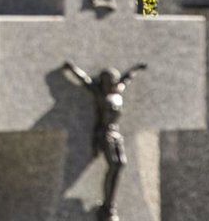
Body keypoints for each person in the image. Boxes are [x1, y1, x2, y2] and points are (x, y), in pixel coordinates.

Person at [62, 61, 148, 221]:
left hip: (115, 133)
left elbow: (127, 78)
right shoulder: (100, 94)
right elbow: (84, 80)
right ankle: (107, 207)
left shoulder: (118, 92)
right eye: (109, 80)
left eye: (114, 80)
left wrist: (137, 68)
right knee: (115, 164)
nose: (113, 83)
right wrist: (71, 68)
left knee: (121, 163)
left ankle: (109, 203)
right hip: (104, 133)